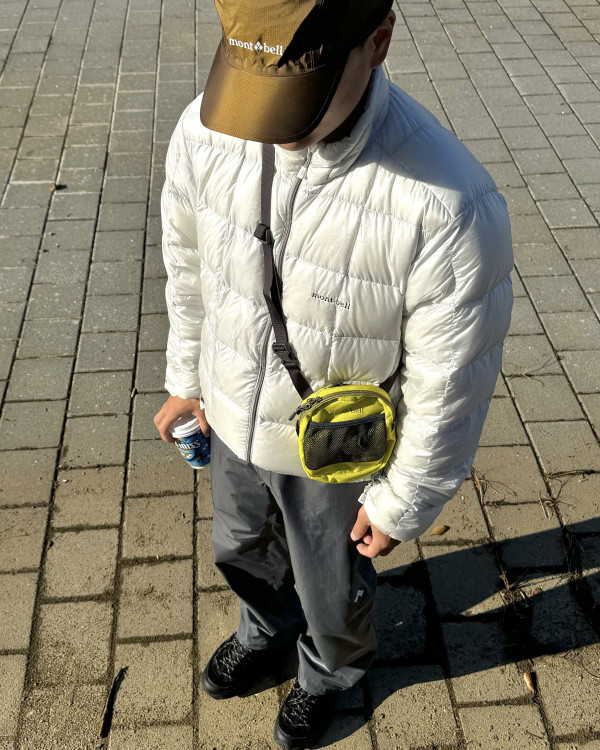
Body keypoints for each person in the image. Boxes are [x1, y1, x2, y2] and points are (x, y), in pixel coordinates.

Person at [154, 0, 514, 747]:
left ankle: (329, 671)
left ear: (377, 42)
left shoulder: (447, 205)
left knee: (333, 581)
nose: (270, 129)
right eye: (253, 93)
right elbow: (189, 265)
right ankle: (265, 625)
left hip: (334, 449)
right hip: (230, 410)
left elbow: (451, 382)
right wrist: (187, 375)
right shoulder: (207, 128)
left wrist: (403, 500)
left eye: (297, 101)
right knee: (239, 545)